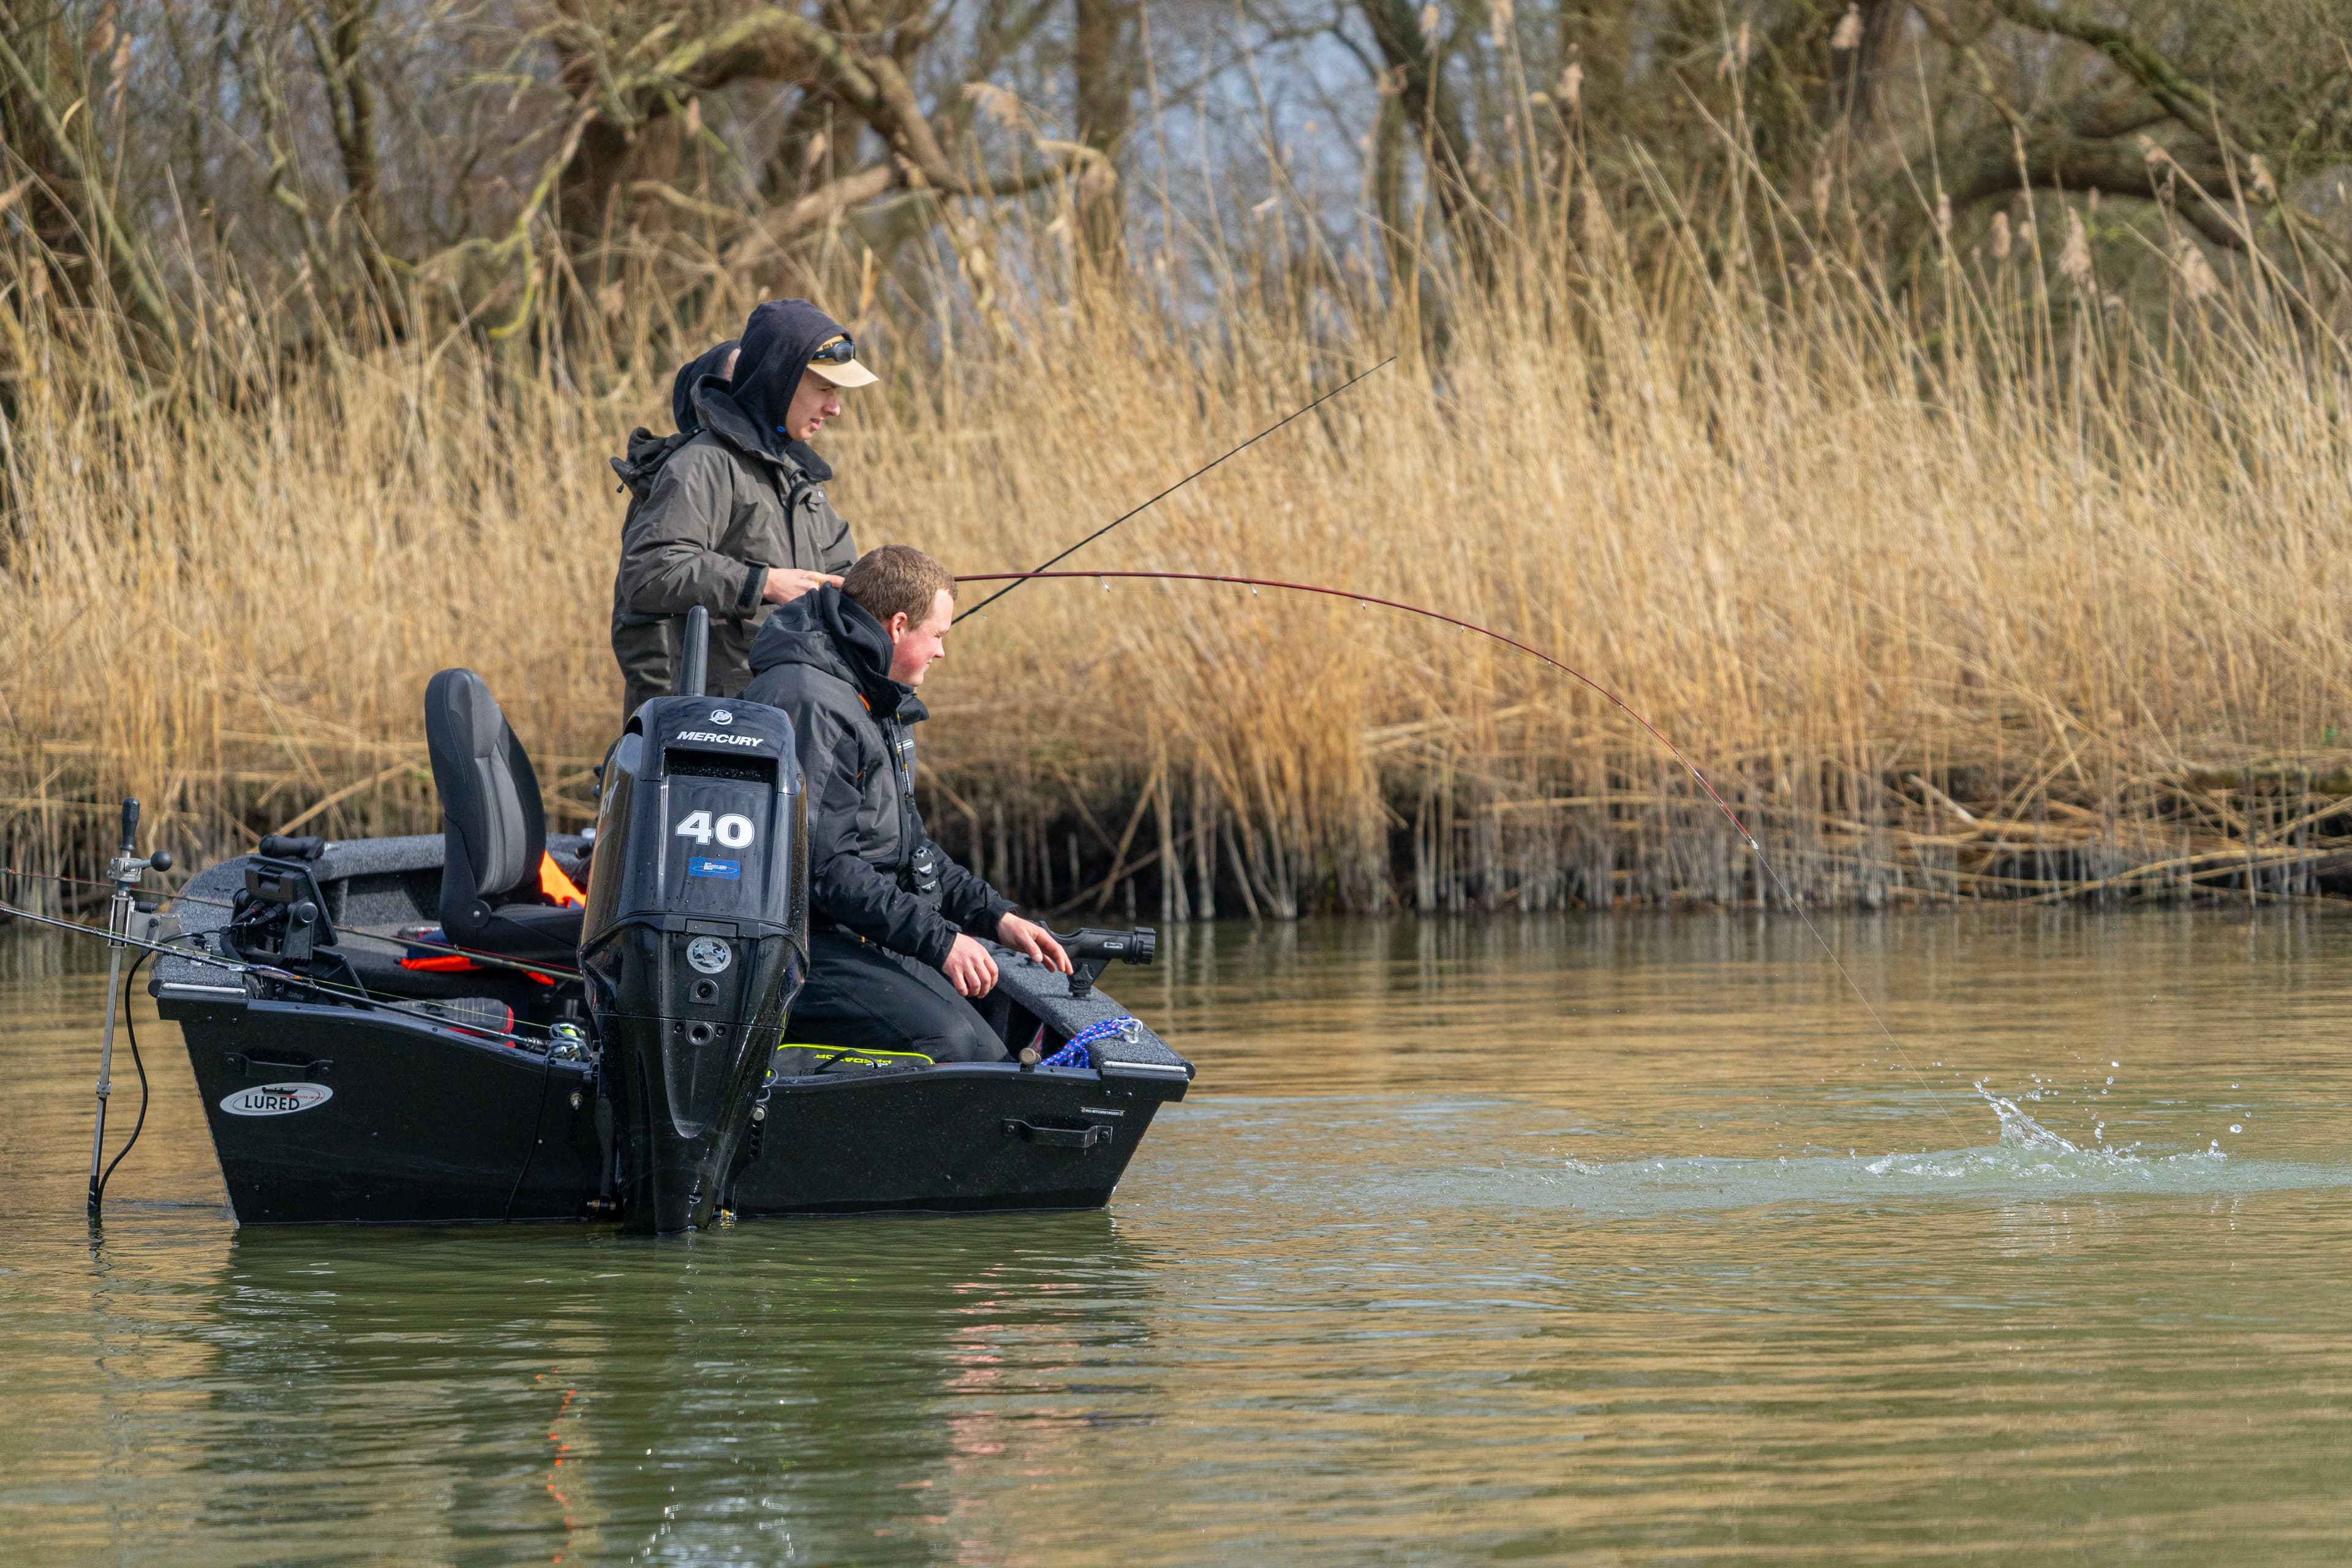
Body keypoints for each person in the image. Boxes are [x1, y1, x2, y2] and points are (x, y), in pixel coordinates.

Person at [742, 545, 1071, 1062]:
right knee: (958, 1047)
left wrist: (995, 917)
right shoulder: (811, 701)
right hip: (797, 942)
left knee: (990, 1038)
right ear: (897, 626)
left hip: (854, 929)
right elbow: (822, 870)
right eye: (937, 635)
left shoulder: (867, 693)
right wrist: (941, 942)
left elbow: (908, 848)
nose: (942, 652)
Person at [612, 299, 872, 713]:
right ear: (780, 381)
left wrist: (897, 595)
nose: (835, 407)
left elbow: (845, 581)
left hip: (793, 716)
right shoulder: (704, 463)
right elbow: (649, 573)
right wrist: (765, 583)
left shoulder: (802, 481)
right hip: (719, 724)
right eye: (825, 389)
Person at [609, 338, 736, 723]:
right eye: (733, 387)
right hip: (687, 722)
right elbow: (639, 622)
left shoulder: (771, 480)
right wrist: (665, 722)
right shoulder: (687, 476)